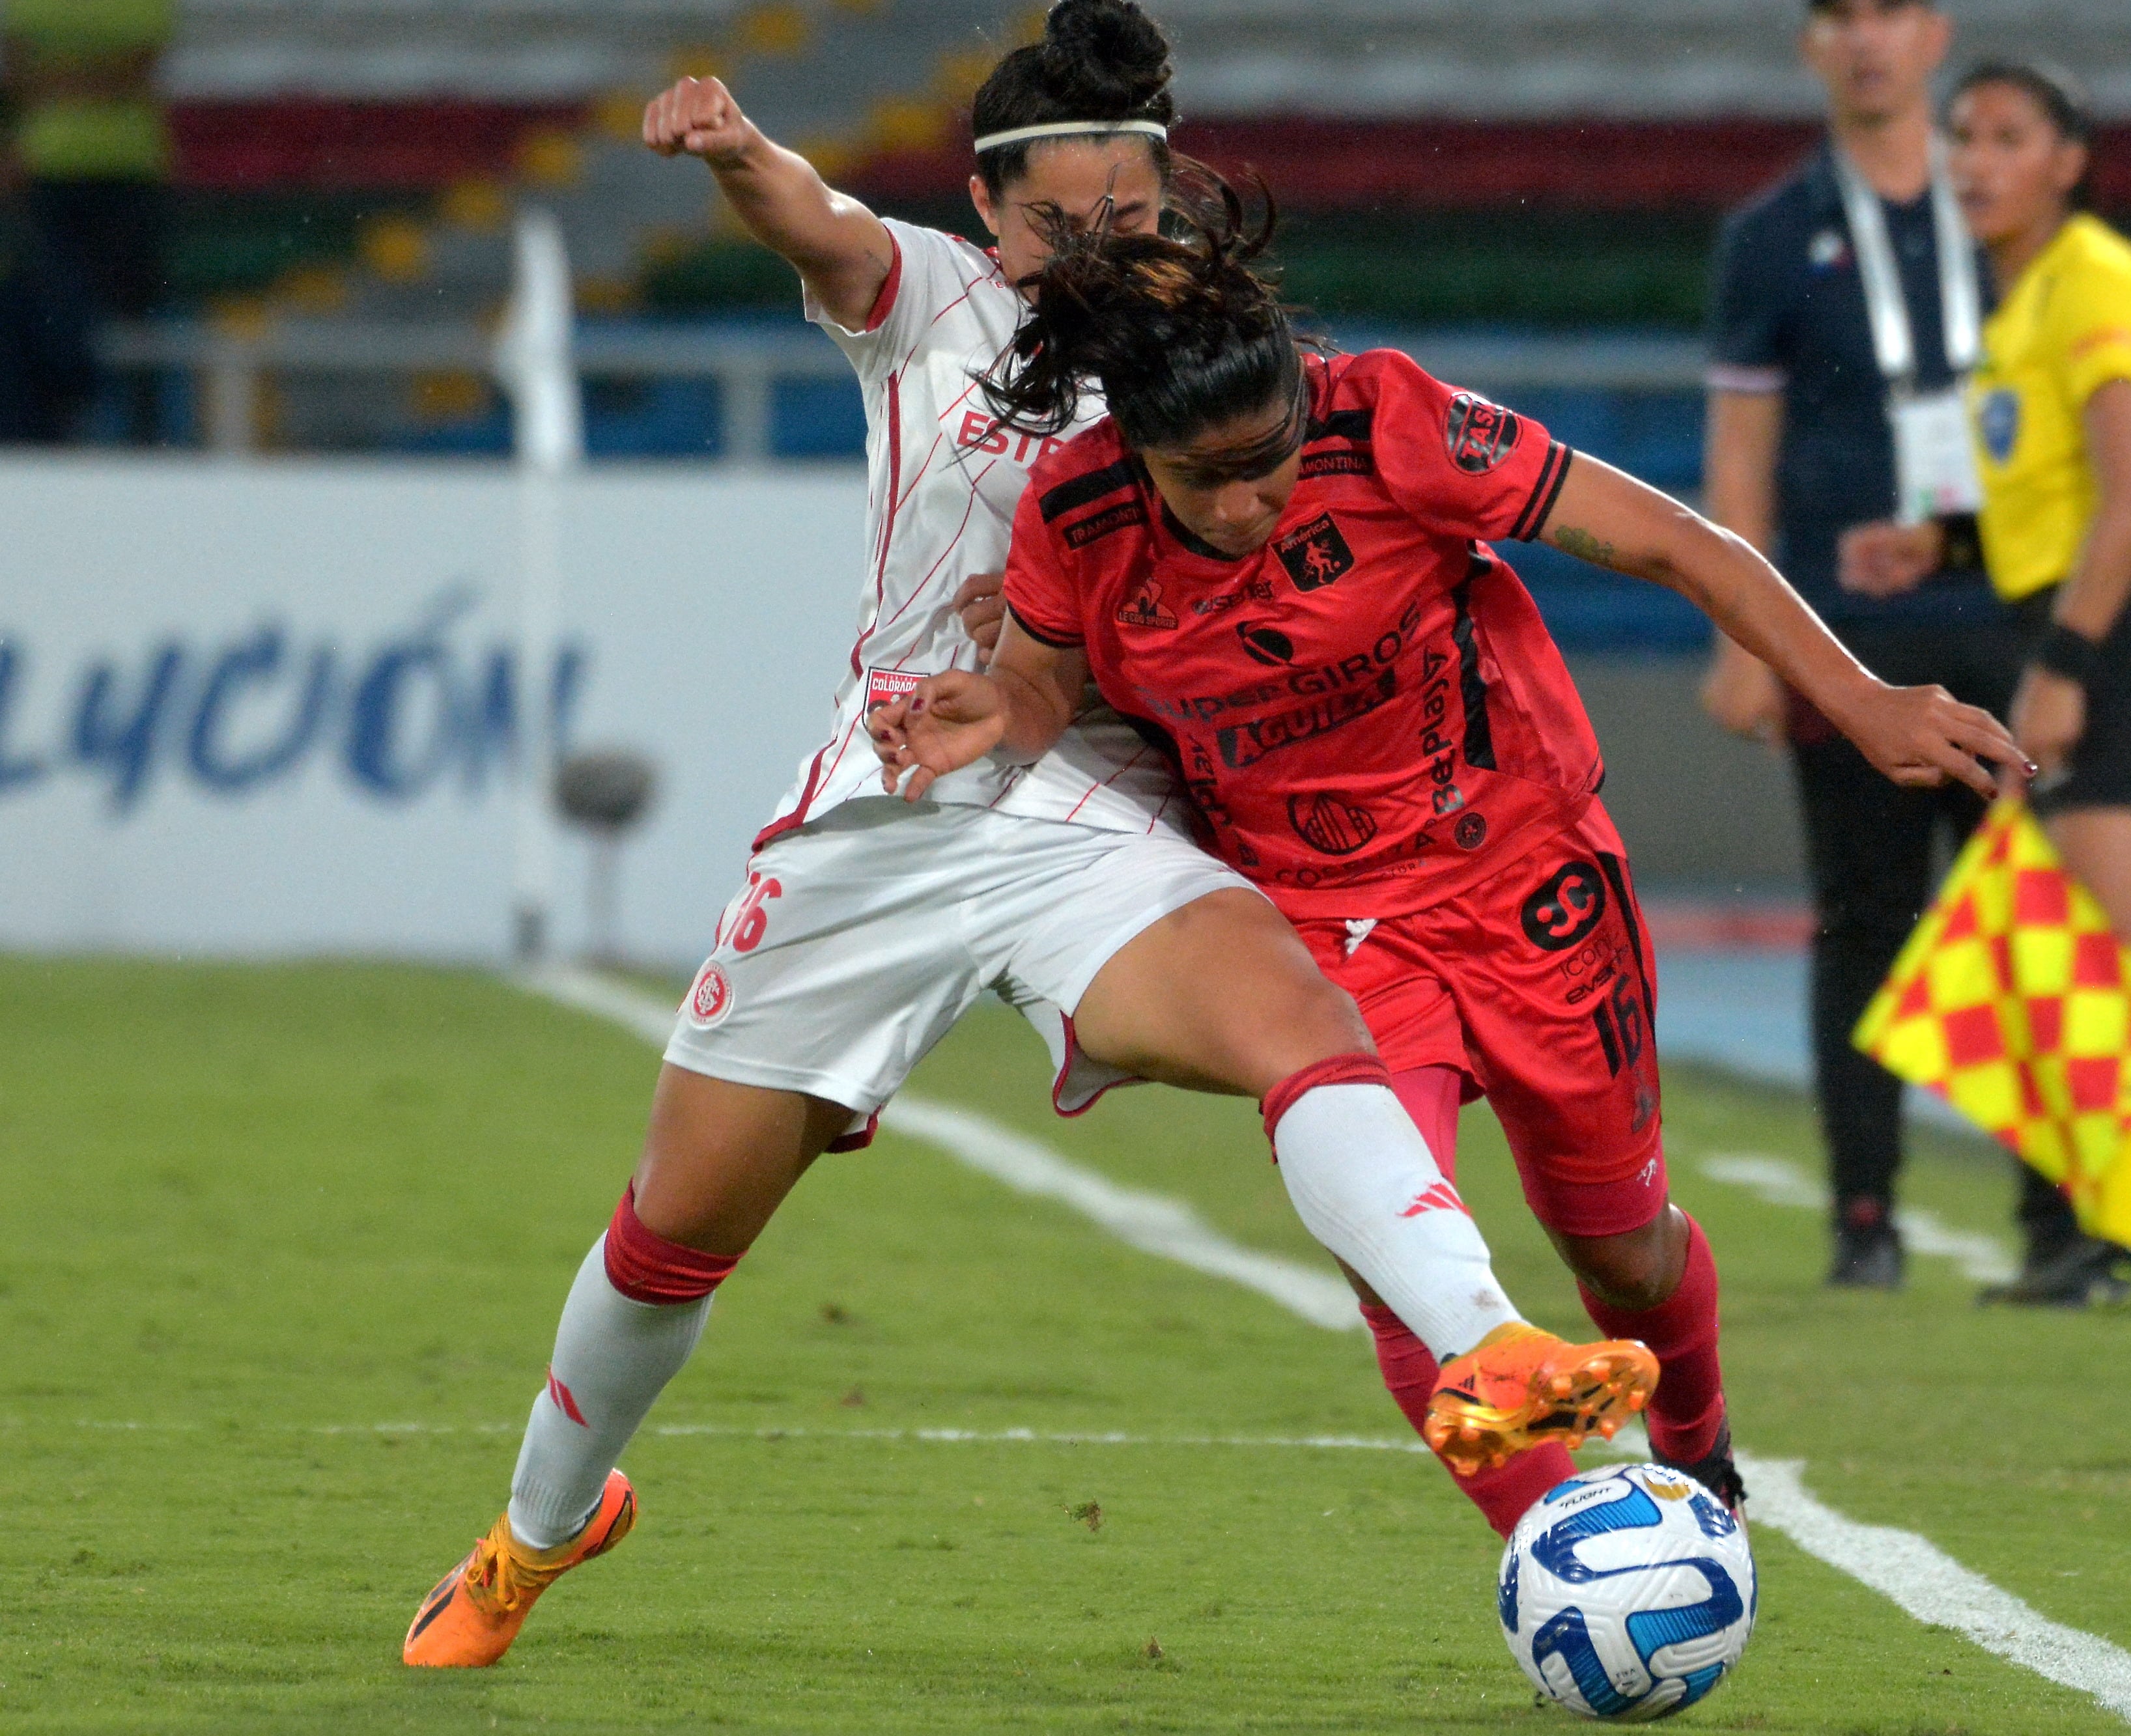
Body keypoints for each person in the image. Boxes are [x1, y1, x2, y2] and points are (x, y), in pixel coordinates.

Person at [400, 1, 1654, 1670]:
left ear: (1172, 197)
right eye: (1056, 223)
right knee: (673, 1232)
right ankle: (532, 1534)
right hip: (894, 809)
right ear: (993, 214)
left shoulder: (1221, 361)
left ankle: (1485, 1341)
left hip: (1100, 813)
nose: (1091, 249)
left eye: (1125, 218)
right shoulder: (934, 300)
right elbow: (819, 223)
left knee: (1301, 1020)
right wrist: (735, 151)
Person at [873, 187, 2029, 1528]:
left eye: (1270, 456)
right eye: (1208, 478)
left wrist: (1859, 696)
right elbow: (1035, 685)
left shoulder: (1388, 419)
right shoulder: (1076, 520)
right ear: (1134, 450)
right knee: (1395, 1254)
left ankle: (1697, 1441)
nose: (1251, 500)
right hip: (1325, 927)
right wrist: (990, 714)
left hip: (1525, 878)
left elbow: (1679, 542)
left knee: (1624, 1253)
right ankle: (1560, 1539)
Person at [1840, 61, 2131, 1315]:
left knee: (2112, 966)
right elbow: (2045, 495)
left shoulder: (2096, 279)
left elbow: (2127, 503)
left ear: (2069, 159)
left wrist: (2062, 669)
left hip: (2120, 632)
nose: (1975, 162)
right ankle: (2080, 1246)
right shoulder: (2015, 309)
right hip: (2061, 617)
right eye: (1962, 138)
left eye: (2009, 139)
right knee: (2037, 964)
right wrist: (1940, 544)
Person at [1699, 0, 2020, 1291]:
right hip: (1852, 636)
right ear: (1809, 47)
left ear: (1936, 34)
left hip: (2018, 617)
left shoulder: (2010, 216)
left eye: (1889, 10)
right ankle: (1865, 1219)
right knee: (1865, 923)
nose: (1865, 39)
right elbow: (1739, 450)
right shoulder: (1772, 235)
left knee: (2031, 929)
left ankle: (2070, 1232)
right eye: (1836, 15)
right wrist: (1745, 637)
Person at [1, 0, 173, 441]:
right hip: (57, 171)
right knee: (57, 308)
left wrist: (57, 83)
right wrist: (97, 81)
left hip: (119, 172)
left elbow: (140, 66)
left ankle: (138, 431)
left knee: (128, 310)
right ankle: (63, 424)